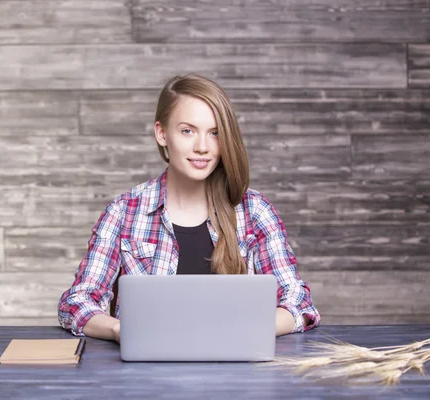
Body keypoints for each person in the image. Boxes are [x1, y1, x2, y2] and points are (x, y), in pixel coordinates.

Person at [58, 73, 321, 343]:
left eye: (214, 133)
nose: (202, 147)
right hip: (145, 376)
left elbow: (298, 303)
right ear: (162, 134)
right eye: (188, 131)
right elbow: (76, 303)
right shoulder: (124, 212)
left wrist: (240, 331)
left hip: (239, 376)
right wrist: (119, 330)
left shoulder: (255, 212)